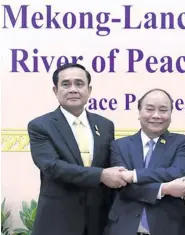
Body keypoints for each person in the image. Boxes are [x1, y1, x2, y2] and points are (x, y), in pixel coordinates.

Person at [28, 63, 127, 235]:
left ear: (89, 90)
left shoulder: (105, 125)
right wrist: (101, 175)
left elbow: (110, 164)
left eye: (79, 84)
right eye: (66, 84)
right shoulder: (40, 126)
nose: (73, 89)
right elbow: (52, 166)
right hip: (58, 220)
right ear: (55, 90)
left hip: (98, 219)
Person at [104, 89, 185, 235]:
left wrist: (135, 175)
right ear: (139, 112)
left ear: (171, 114)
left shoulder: (182, 142)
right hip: (124, 227)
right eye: (150, 109)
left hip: (170, 226)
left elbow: (178, 173)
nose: (156, 115)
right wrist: (164, 189)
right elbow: (123, 186)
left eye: (163, 110)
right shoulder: (119, 145)